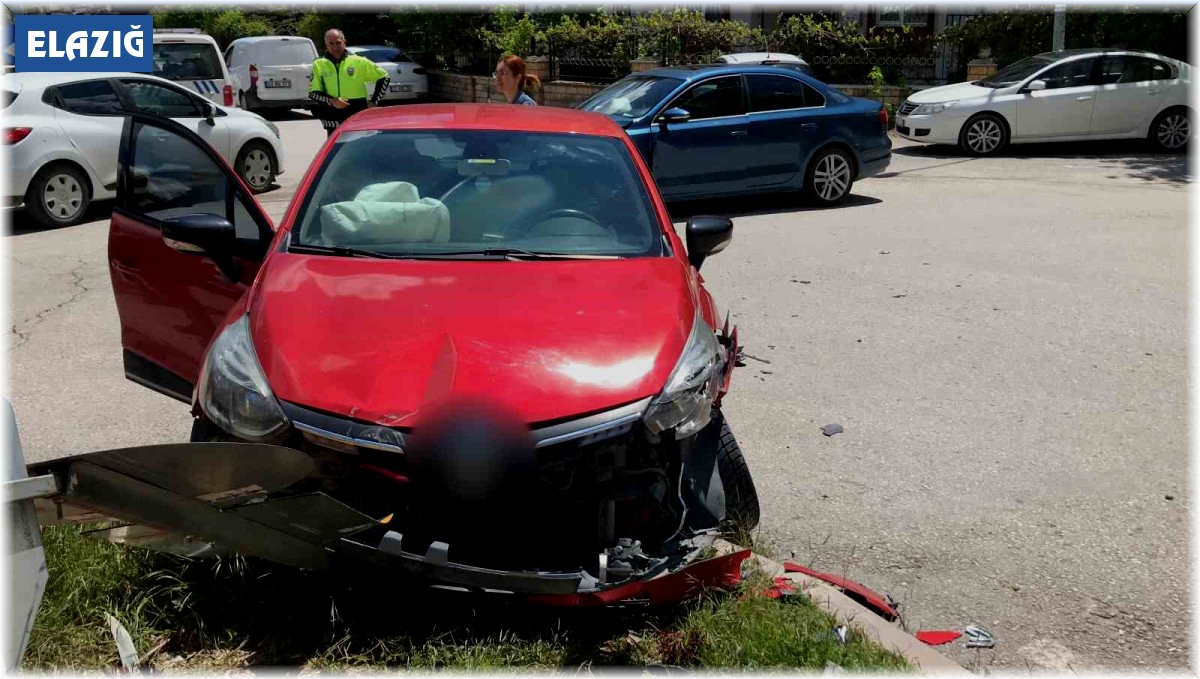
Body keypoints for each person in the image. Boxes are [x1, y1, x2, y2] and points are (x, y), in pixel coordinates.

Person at [308, 29, 391, 137]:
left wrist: (374, 101)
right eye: (331, 44)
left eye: (338, 43)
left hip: (357, 119)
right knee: (337, 153)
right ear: (326, 45)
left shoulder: (359, 61)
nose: (335, 47)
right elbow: (313, 93)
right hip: (333, 121)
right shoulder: (319, 64)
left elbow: (384, 77)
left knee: (360, 150)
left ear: (344, 42)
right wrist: (332, 101)